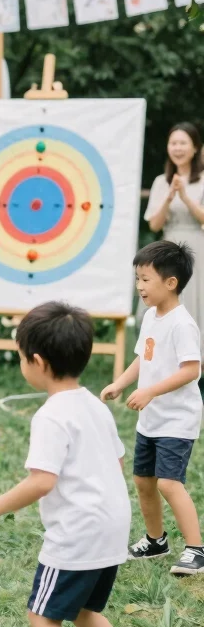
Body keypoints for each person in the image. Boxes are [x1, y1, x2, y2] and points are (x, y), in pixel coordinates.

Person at [0, 302, 150, 627]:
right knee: (87, 610)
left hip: (78, 533)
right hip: (111, 527)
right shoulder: (93, 405)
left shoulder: (51, 415)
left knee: (43, 615)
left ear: (37, 362)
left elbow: (42, 481)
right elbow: (117, 459)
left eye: (19, 356)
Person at [102, 240, 204, 575]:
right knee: (143, 481)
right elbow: (142, 358)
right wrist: (121, 383)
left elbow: (192, 370)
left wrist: (149, 392)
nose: (139, 286)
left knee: (168, 483)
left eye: (146, 279)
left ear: (170, 282)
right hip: (152, 420)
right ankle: (156, 541)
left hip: (177, 419)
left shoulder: (182, 323)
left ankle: (196, 550)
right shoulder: (150, 317)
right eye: (138, 279)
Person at [144, 123, 204, 357]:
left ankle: (196, 363)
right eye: (173, 143)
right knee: (167, 301)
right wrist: (169, 197)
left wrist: (185, 197)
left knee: (195, 301)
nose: (177, 148)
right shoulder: (161, 181)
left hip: (197, 245)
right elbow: (154, 224)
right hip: (168, 248)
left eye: (183, 143)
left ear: (195, 147)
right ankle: (165, 359)